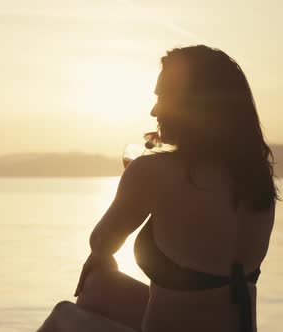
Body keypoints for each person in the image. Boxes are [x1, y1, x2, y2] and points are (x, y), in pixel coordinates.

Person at [40, 45, 277, 332]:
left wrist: (137, 191)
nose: (154, 109)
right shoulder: (257, 177)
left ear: (192, 104)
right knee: (96, 286)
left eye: (163, 96)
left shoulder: (154, 171)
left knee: (64, 316)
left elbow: (101, 243)